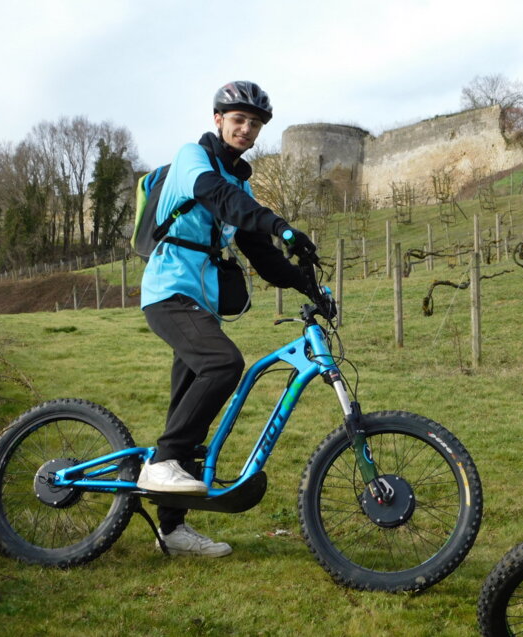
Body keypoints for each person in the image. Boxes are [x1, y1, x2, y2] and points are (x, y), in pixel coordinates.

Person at [137, 81, 317, 557]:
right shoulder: (192, 160)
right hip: (168, 293)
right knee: (222, 366)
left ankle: (172, 531)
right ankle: (161, 463)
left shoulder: (244, 184)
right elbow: (219, 197)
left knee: (188, 417)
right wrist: (279, 223)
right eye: (238, 120)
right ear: (218, 120)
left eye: (254, 124)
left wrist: (307, 283)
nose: (246, 129)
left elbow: (259, 251)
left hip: (200, 305)